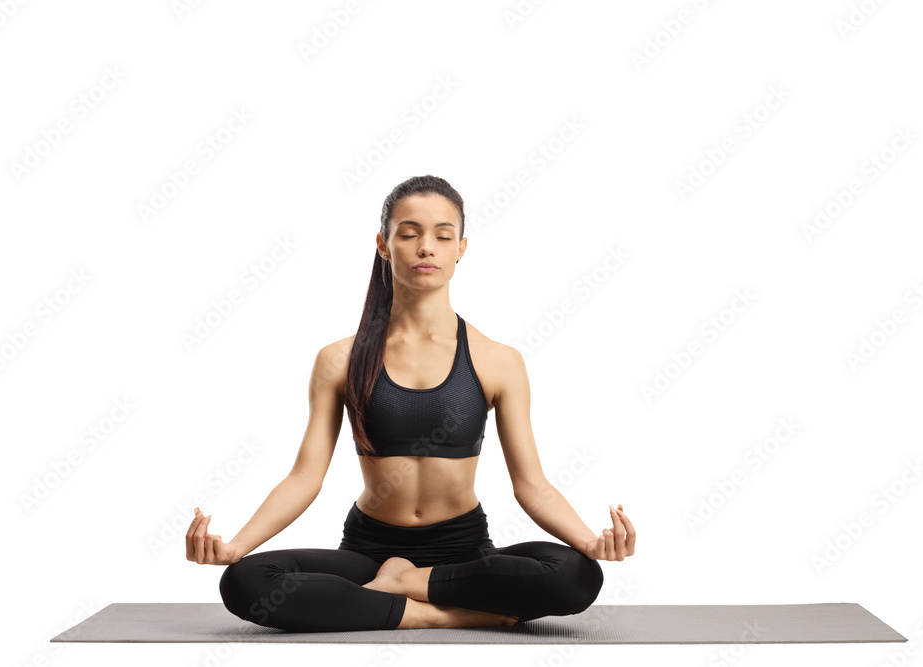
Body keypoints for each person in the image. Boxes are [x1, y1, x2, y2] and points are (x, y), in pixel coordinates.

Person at [186, 175, 636, 632]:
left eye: (443, 236)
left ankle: (406, 585)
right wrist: (236, 547)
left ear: (461, 248)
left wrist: (590, 542)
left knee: (575, 575)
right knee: (246, 582)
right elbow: (305, 477)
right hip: (368, 553)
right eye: (409, 234)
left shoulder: (498, 360)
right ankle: (439, 613)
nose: (426, 248)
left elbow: (532, 485)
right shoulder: (338, 360)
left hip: (463, 553)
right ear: (383, 244)